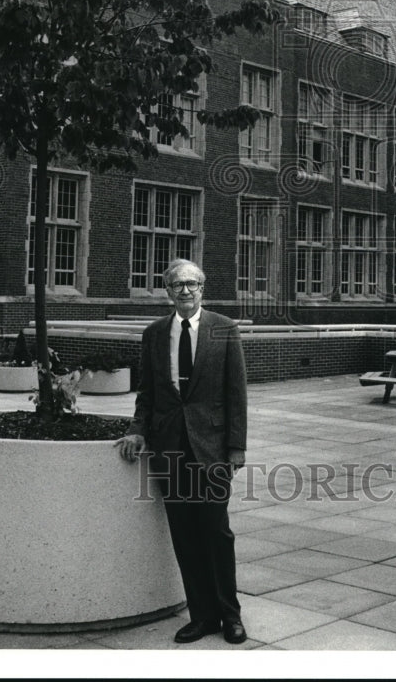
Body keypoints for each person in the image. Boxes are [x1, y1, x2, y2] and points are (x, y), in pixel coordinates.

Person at [116, 258, 248, 644]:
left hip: (212, 450)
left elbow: (236, 393)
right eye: (178, 285)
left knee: (217, 533)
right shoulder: (155, 334)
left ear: (202, 289)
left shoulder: (224, 330)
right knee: (185, 536)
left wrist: (236, 447)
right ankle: (202, 616)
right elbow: (147, 393)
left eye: (192, 284)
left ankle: (230, 615)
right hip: (169, 449)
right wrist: (137, 430)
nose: (185, 291)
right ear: (167, 292)